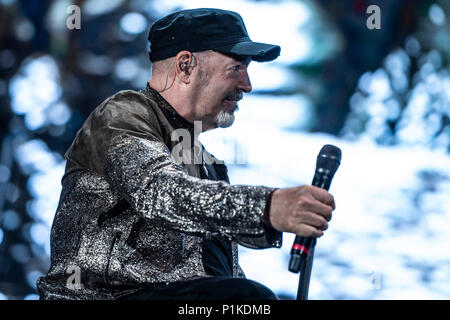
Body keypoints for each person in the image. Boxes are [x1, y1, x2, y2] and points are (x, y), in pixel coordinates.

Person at [37, 8, 335, 300]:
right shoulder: (121, 116)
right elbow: (160, 194)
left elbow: (214, 277)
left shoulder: (208, 165)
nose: (247, 85)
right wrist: (268, 207)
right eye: (236, 68)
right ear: (185, 66)